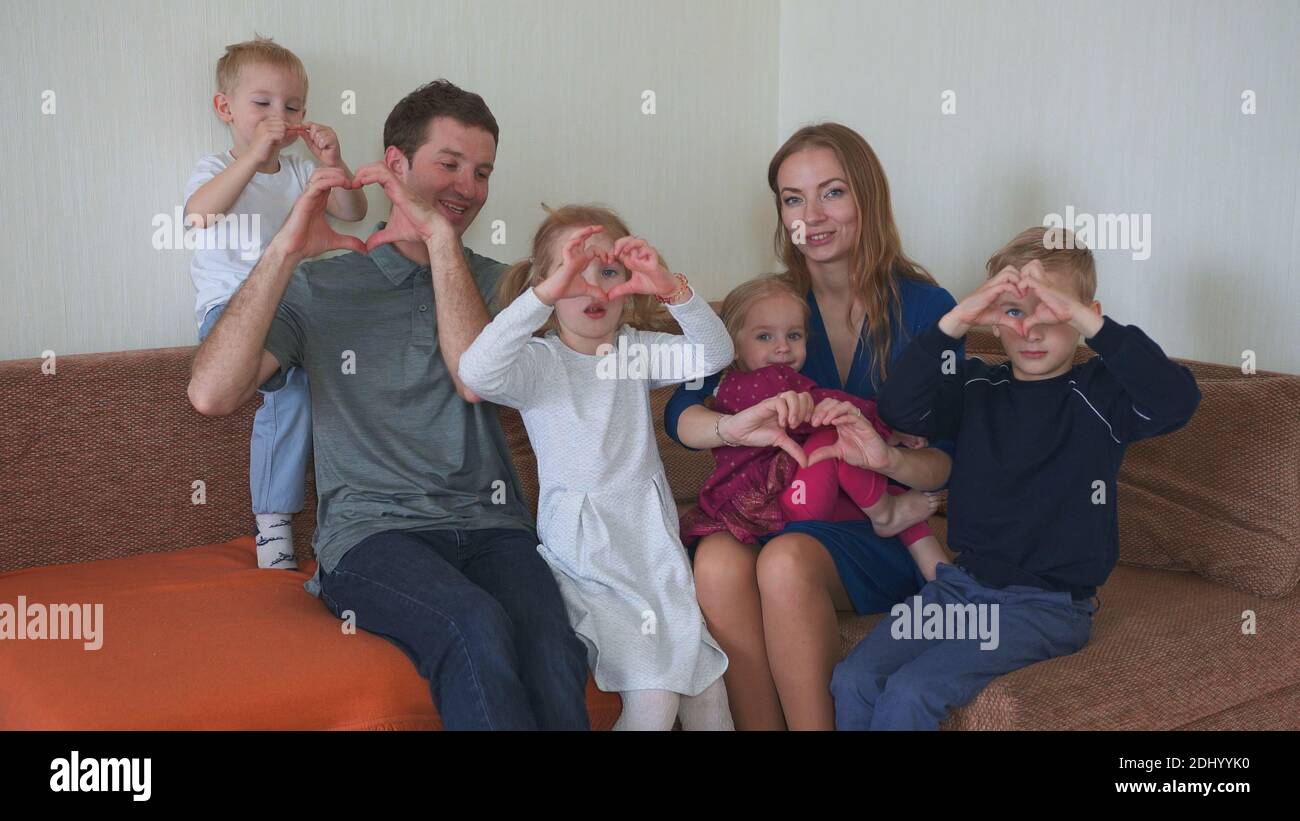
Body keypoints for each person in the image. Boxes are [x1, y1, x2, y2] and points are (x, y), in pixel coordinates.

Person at [187, 80, 589, 730]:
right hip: (373, 536)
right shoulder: (322, 284)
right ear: (395, 166)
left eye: (483, 171)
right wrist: (284, 250)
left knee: (554, 647)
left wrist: (439, 241)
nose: (470, 186)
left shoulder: (504, 283)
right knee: (474, 624)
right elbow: (211, 392)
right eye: (451, 163)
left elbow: (474, 373)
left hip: (495, 528)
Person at [830, 226, 1202, 730]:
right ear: (995, 320)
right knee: (853, 678)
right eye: (1015, 312)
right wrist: (957, 321)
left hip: (1046, 607)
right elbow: (901, 407)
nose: (1031, 330)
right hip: (959, 588)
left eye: (1051, 312)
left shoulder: (1101, 396)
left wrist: (1094, 325)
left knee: (913, 692)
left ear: (1084, 316)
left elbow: (1176, 400)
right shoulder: (977, 386)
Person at [663, 123, 959, 729]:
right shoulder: (767, 305)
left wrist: (887, 460)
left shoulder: (927, 310)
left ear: (867, 199)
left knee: (786, 561)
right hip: (777, 506)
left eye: (832, 193)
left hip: (879, 525)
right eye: (793, 199)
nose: (812, 216)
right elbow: (680, 411)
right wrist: (730, 427)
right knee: (716, 562)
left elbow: (951, 456)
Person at [460, 207, 734, 730]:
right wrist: (539, 297)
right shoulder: (539, 363)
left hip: (654, 552)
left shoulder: (636, 352)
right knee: (655, 701)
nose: (592, 287)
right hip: (588, 560)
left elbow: (714, 354)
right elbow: (477, 370)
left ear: (627, 289)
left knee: (709, 695)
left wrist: (670, 287)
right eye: (573, 272)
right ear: (548, 285)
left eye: (607, 271)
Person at [184, 35, 366, 568]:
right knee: (291, 388)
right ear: (226, 108)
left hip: (301, 312)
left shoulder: (301, 174)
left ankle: (352, 513)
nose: (277, 117)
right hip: (231, 315)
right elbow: (198, 215)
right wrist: (254, 156)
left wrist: (333, 159)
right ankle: (273, 523)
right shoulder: (216, 168)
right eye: (261, 104)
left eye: (291, 107)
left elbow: (353, 210)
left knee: (340, 380)